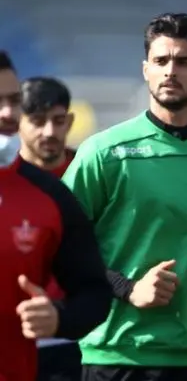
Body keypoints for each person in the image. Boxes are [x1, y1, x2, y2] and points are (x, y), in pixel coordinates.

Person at [62, 13, 187, 381]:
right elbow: (63, 247)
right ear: (146, 69)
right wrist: (128, 289)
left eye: (184, 62)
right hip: (116, 354)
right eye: (161, 61)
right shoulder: (103, 151)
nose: (170, 71)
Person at [0, 52, 112, 381]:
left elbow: (94, 292)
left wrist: (60, 318)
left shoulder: (52, 194)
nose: (7, 113)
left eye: (13, 101)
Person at [18, 76, 81, 381]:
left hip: (78, 339)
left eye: (57, 121)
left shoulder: (88, 172)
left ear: (69, 121)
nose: (49, 131)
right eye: (38, 121)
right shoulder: (7, 180)